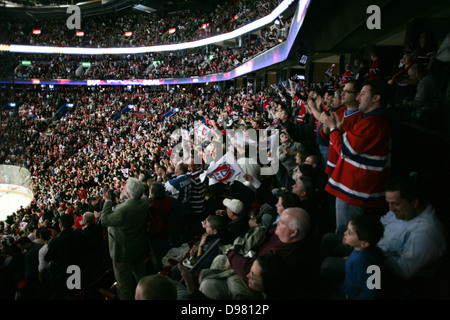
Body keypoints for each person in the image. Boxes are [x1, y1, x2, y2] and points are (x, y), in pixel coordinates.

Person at [198, 207, 318, 300]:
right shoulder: (279, 234)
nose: (276, 223)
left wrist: (232, 256)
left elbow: (252, 272)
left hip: (250, 281)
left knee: (208, 285)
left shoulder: (286, 254)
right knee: (219, 259)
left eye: (282, 223)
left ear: (293, 232)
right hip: (248, 262)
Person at [321, 81, 391, 234]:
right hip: (356, 188)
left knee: (346, 234)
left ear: (376, 98)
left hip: (356, 191)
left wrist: (333, 128)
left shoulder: (373, 123)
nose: (358, 98)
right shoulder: (372, 120)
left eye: (363, 94)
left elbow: (345, 149)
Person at [96, 177, 149, 300]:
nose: (122, 188)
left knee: (124, 284)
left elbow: (104, 220)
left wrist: (108, 200)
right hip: (139, 245)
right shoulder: (144, 201)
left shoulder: (122, 210)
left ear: (129, 192)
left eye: (124, 187)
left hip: (123, 252)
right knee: (141, 275)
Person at [320, 215, 385, 300]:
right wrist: (350, 258)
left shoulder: (361, 262)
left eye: (350, 233)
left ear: (364, 244)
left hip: (351, 294)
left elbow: (371, 291)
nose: (345, 233)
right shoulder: (372, 250)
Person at [44, 213, 83, 298]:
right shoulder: (79, 233)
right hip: (78, 266)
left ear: (61, 225)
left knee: (69, 294)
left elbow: (47, 257)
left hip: (64, 273)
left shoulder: (56, 241)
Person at [147, 181, 172, 273]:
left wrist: (149, 233)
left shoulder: (153, 206)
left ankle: (162, 271)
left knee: (158, 254)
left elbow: (157, 224)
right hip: (168, 228)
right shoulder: (167, 198)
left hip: (158, 234)